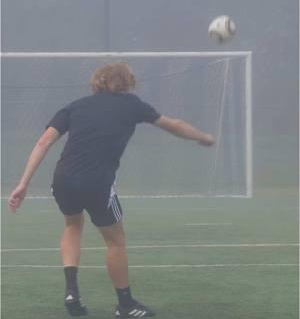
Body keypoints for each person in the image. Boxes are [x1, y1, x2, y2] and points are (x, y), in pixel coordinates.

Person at [8, 62, 214, 318]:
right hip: (97, 182)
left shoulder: (75, 106)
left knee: (72, 225)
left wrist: (23, 183)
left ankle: (72, 291)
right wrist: (202, 137)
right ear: (126, 82)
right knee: (115, 240)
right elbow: (172, 124)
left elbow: (43, 141)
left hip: (63, 180)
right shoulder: (132, 105)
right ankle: (125, 304)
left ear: (97, 82)